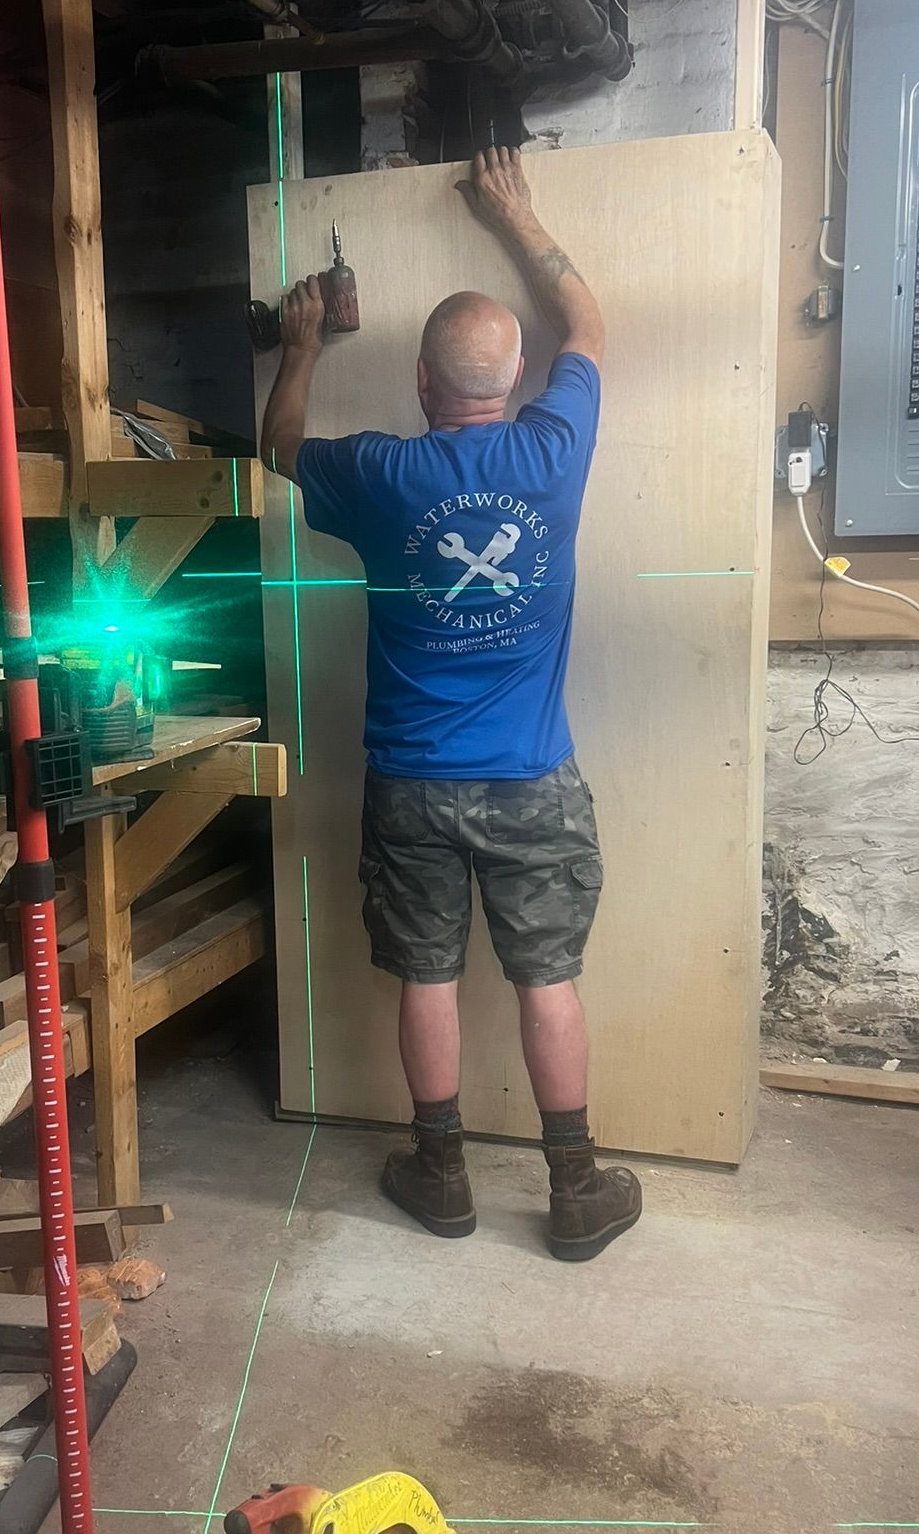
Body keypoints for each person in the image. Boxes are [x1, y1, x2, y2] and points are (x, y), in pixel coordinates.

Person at [258, 145, 641, 1263]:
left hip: (412, 782)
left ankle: (442, 1172)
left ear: (424, 388)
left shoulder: (380, 472)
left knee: (426, 973)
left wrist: (301, 345)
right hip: (531, 777)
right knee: (548, 976)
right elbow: (589, 327)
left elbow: (280, 444)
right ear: (511, 382)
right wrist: (515, 216)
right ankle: (574, 1187)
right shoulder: (554, 447)